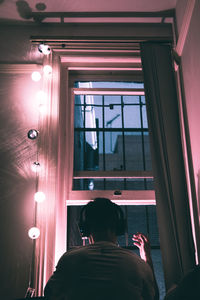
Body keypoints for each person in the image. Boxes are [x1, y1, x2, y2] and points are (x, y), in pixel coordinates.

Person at [44, 198, 159, 300]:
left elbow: (50, 294)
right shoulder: (137, 263)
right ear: (119, 227)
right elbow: (154, 297)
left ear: (84, 228)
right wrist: (146, 256)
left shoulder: (69, 259)